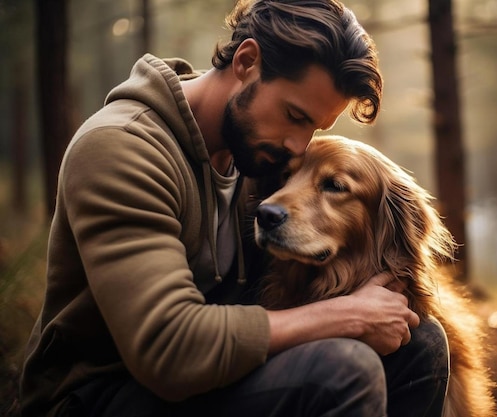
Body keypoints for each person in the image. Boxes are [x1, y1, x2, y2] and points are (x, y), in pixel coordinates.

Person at [19, 1, 450, 416]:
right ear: (246, 61)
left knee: (422, 346)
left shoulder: (258, 157)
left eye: (315, 128)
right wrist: (346, 316)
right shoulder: (120, 149)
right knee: (342, 370)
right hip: (103, 394)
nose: (298, 146)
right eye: (294, 115)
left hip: (215, 380)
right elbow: (168, 349)